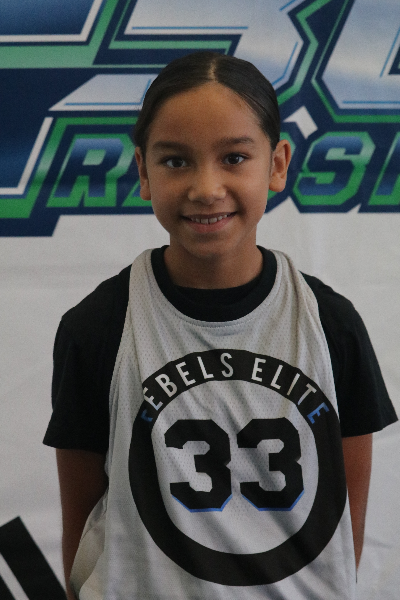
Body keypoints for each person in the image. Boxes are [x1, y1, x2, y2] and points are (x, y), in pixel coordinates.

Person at [44, 51, 397, 600]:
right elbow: (84, 535)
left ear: (277, 164)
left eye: (234, 157)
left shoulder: (331, 326)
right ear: (143, 172)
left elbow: (340, 533)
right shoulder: (97, 329)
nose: (206, 187)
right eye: (175, 161)